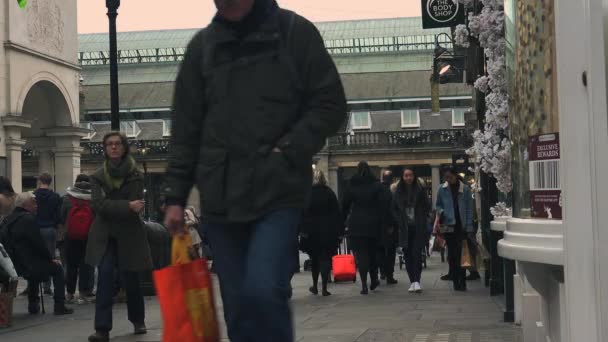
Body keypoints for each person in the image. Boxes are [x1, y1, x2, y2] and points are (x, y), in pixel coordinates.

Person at [162, 0, 346, 340]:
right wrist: (175, 196)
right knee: (236, 305)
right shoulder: (202, 48)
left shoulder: (294, 33)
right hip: (221, 198)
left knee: (263, 290)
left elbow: (331, 104)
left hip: (277, 192)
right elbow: (185, 130)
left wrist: (288, 148)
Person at [85, 132, 152, 342]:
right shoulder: (97, 176)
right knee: (105, 276)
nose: (113, 147)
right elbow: (98, 205)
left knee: (130, 277)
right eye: (109, 144)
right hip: (105, 234)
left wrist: (117, 206)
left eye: (117, 144)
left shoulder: (135, 174)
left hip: (130, 233)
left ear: (124, 147)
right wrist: (125, 206)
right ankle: (102, 329)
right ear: (105, 149)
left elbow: (137, 204)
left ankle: (138, 319)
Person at [0, 192, 73, 315]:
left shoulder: (7, 219)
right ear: (26, 204)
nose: (37, 205)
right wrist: (51, 259)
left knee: (34, 266)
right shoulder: (28, 219)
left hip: (13, 265)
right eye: (34, 203)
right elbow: (39, 245)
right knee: (57, 269)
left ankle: (33, 304)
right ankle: (59, 305)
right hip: (26, 264)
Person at [342, 162, 388, 295]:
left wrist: (343, 221)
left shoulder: (352, 186)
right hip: (374, 223)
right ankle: (374, 279)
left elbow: (345, 205)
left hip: (356, 223)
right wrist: (385, 222)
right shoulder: (376, 186)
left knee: (361, 255)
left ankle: (363, 285)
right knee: (373, 254)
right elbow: (384, 205)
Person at [299, 170, 343, 297]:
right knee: (325, 259)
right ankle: (324, 287)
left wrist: (302, 230)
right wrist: (339, 231)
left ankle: (315, 285)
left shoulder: (308, 194)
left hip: (312, 232)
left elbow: (303, 213)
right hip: (328, 231)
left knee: (315, 259)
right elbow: (337, 213)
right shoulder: (330, 193)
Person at [434, 167, 475, 292]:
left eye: (450, 177)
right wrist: (442, 212)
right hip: (448, 225)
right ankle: (455, 280)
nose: (448, 179)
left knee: (461, 255)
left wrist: (469, 226)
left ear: (456, 176)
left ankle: (461, 281)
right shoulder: (442, 189)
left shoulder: (465, 189)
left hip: (461, 226)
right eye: (446, 177)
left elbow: (469, 209)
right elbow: (438, 205)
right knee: (452, 254)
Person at [392, 168, 431, 293]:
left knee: (417, 254)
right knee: (407, 255)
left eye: (410, 175)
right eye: (406, 175)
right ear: (402, 177)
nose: (408, 178)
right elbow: (393, 208)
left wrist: (423, 217)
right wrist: (398, 220)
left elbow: (427, 206)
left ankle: (417, 281)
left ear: (414, 176)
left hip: (418, 226)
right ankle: (412, 281)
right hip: (404, 227)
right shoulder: (398, 191)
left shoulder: (420, 189)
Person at [61, 174, 96, 303]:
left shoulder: (67, 199)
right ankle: (83, 294)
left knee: (71, 266)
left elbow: (61, 217)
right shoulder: (93, 201)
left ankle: (69, 293)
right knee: (85, 266)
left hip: (70, 237)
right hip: (88, 238)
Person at [34, 172, 62, 294]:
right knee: (50, 256)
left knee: (34, 256)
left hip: (36, 228)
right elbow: (58, 215)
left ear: (40, 181)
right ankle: (47, 285)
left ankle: (34, 284)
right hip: (50, 228)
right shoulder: (56, 196)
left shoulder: (33, 195)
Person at [378, 169, 398, 285]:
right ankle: (389, 275)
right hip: (388, 226)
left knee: (380, 250)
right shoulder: (389, 192)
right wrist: (391, 224)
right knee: (390, 251)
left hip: (378, 225)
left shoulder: (378, 190)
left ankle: (382, 272)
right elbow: (391, 210)